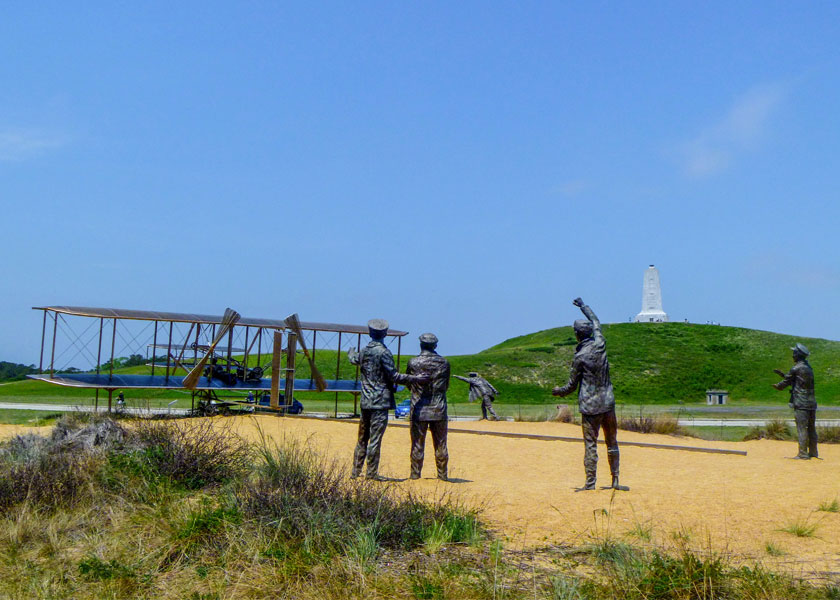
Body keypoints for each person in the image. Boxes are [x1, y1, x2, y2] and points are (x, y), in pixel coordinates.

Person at [552, 298, 627, 491]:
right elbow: (596, 322)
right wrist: (584, 306)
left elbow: (571, 385)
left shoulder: (580, 357)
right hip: (607, 403)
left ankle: (590, 483)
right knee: (612, 441)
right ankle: (615, 479)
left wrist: (558, 392)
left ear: (577, 335)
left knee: (591, 444)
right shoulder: (600, 344)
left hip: (590, 406)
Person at [348, 319, 426, 480]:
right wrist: (415, 378)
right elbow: (394, 376)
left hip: (365, 401)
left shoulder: (364, 351)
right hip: (380, 401)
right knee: (375, 439)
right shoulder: (384, 352)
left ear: (370, 333)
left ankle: (355, 472)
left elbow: (354, 359)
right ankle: (371, 473)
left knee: (362, 439)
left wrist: (351, 353)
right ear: (384, 334)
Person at [406, 333, 451, 480]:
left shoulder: (413, 362)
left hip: (419, 408)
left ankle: (415, 475)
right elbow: (446, 386)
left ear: (420, 345)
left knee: (417, 444)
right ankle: (442, 475)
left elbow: (409, 384)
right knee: (441, 444)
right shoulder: (444, 363)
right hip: (439, 408)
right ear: (435, 346)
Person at [773, 343, 818, 459]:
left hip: (801, 403)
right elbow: (797, 381)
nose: (792, 355)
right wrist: (783, 375)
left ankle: (802, 454)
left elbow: (786, 382)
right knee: (811, 428)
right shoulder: (808, 368)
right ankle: (813, 452)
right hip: (811, 402)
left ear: (798, 355)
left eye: (794, 353)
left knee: (802, 428)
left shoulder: (796, 368)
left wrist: (778, 386)